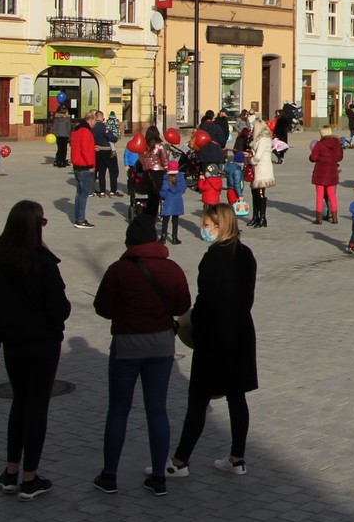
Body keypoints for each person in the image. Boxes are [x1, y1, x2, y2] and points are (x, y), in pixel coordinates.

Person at [93, 212, 191, 497]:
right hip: (161, 345)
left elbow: (103, 308)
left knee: (118, 410)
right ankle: (159, 476)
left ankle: (109, 475)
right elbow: (182, 305)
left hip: (126, 345)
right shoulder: (172, 269)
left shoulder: (118, 270)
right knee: (157, 410)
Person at [157, 204, 257, 480]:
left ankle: (179, 461)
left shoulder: (214, 257)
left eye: (207, 225)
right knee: (237, 397)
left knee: (198, 400)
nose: (204, 229)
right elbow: (247, 298)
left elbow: (205, 301)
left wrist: (191, 328)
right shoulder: (245, 254)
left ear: (219, 225)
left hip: (215, 336)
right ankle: (237, 457)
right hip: (240, 332)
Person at [0, 200, 71, 501]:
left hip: (13, 345)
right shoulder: (43, 263)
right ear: (34, 228)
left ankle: (10, 471)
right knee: (37, 407)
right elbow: (59, 309)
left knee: (19, 403)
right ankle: (30, 478)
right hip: (43, 344)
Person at [309, 126, 343, 225]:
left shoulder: (319, 144)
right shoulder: (337, 143)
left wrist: (321, 158)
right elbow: (339, 157)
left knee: (319, 196)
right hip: (332, 171)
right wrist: (331, 159)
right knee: (332, 196)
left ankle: (318, 219)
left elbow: (313, 157)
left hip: (320, 172)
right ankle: (335, 218)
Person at [70, 111, 97, 229]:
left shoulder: (75, 131)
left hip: (77, 165)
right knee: (84, 194)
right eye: (95, 121)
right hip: (85, 166)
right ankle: (80, 219)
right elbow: (85, 150)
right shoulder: (86, 132)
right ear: (91, 120)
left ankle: (78, 217)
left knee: (79, 193)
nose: (95, 124)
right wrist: (90, 164)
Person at [137, 125, 170, 219]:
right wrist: (167, 169)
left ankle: (147, 210)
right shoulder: (159, 145)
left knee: (150, 194)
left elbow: (140, 158)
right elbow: (165, 160)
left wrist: (145, 166)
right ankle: (152, 213)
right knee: (156, 195)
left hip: (146, 173)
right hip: (158, 173)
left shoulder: (143, 145)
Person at [246, 123, 275, 228]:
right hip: (256, 169)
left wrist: (251, 160)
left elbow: (258, 156)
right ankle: (255, 217)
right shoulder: (259, 139)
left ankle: (262, 217)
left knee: (260, 193)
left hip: (262, 169)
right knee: (254, 193)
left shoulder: (264, 139)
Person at [159, 160, 187, 245]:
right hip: (178, 200)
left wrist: (163, 196)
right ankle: (174, 237)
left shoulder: (165, 178)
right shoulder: (180, 177)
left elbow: (162, 191)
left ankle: (163, 237)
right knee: (175, 219)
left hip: (168, 200)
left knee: (165, 219)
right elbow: (183, 188)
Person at [93, 110, 120, 198]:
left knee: (101, 172)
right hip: (108, 150)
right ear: (101, 117)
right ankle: (113, 191)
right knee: (113, 171)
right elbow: (113, 137)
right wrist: (114, 137)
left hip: (98, 151)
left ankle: (102, 191)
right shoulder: (103, 127)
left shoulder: (92, 127)